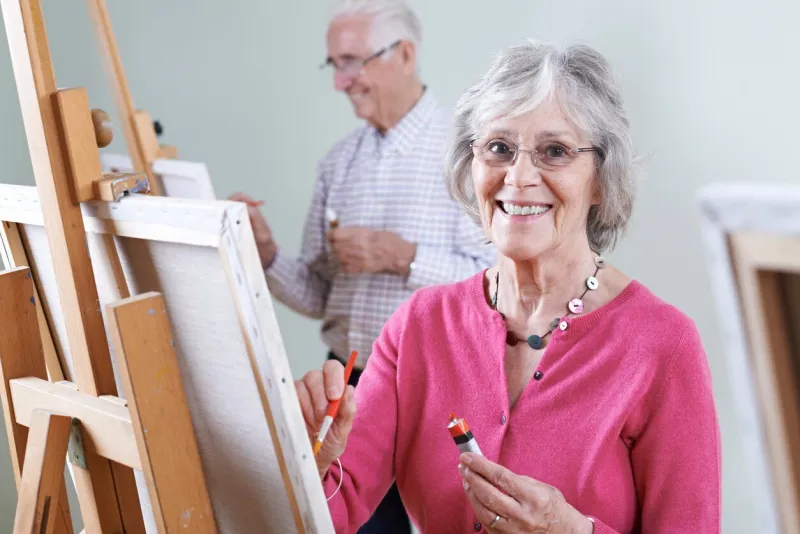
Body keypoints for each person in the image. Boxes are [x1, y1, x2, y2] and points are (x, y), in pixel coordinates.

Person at [296, 39, 722, 533]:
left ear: (601, 180)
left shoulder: (663, 345)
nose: (518, 177)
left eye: (554, 152)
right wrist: (311, 460)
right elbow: (331, 510)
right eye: (498, 148)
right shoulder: (419, 326)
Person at [231, 1, 495, 532]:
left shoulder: (472, 156)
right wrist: (266, 257)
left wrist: (402, 258)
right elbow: (319, 293)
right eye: (334, 65)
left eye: (352, 62)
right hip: (347, 383)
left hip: (439, 388)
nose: (341, 82)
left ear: (404, 54)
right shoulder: (337, 162)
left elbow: (501, 281)